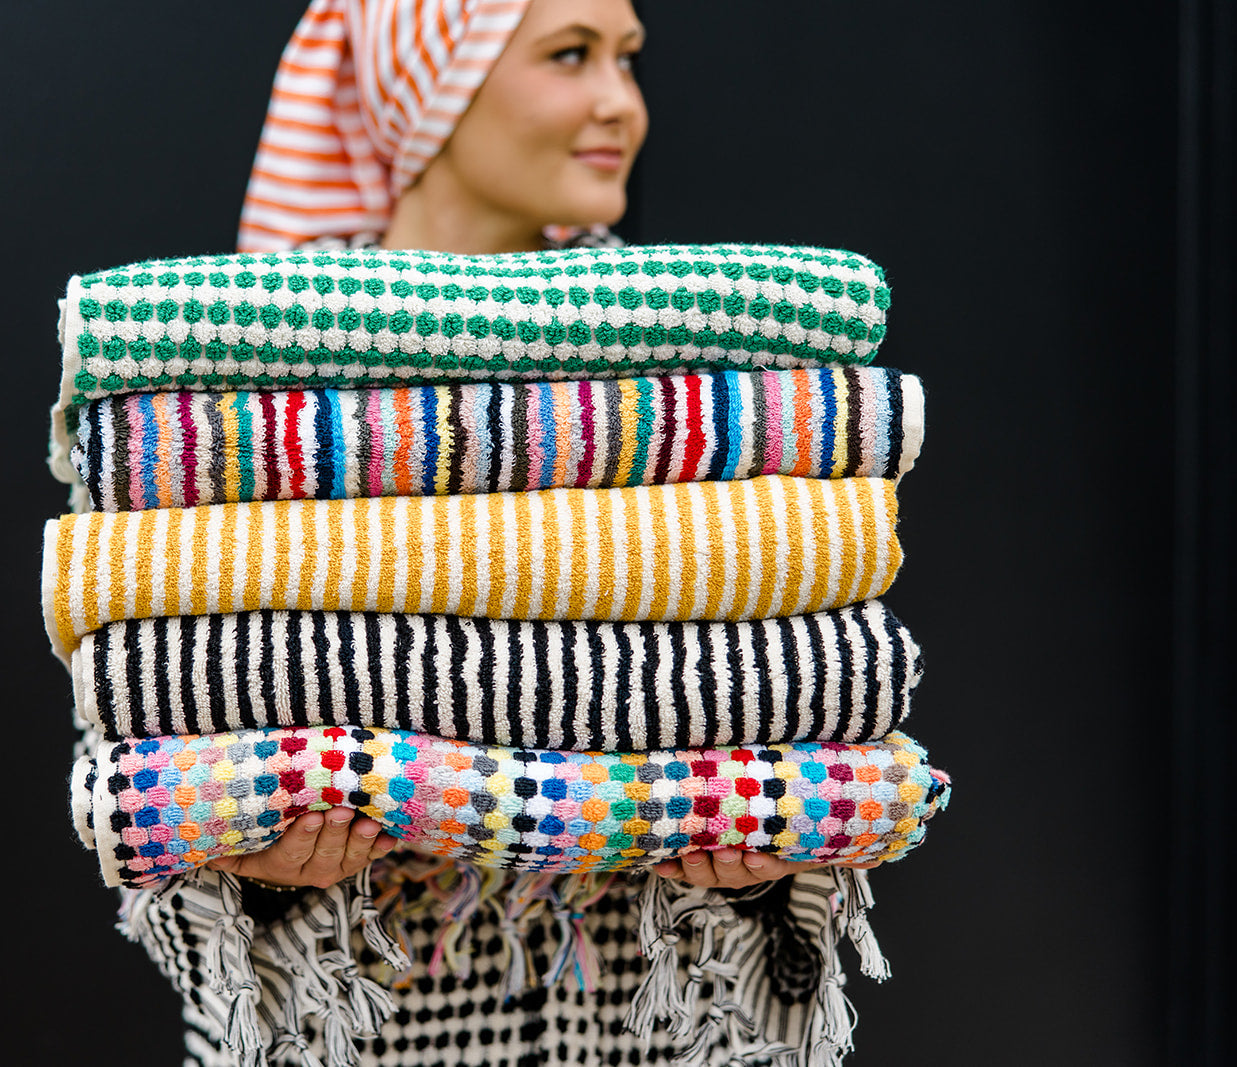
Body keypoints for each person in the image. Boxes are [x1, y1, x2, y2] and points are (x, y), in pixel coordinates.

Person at [125, 3, 884, 1065]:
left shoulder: (700, 379)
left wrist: (762, 853)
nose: (620, 103)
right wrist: (261, 870)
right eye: (569, 54)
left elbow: (795, 707)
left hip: (643, 1036)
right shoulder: (244, 390)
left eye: (626, 58)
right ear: (428, 82)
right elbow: (152, 757)